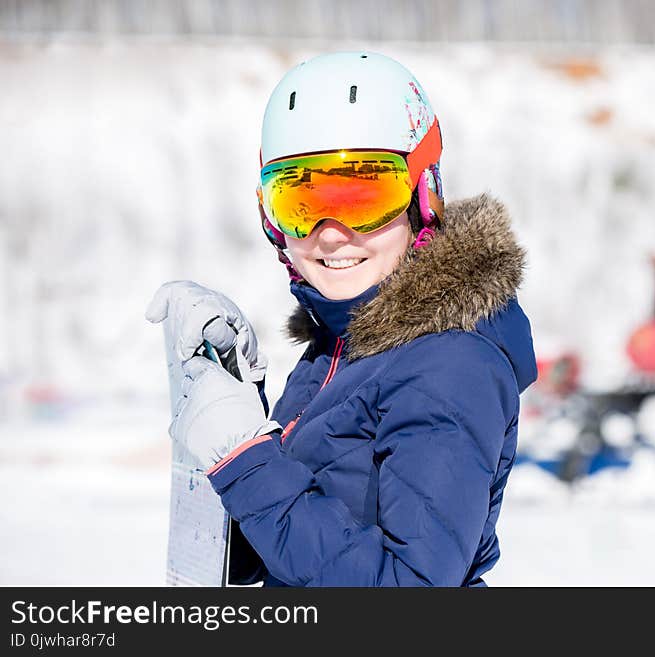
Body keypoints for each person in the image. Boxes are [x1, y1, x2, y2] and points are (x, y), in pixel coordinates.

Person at [146, 51, 537, 586]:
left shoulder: (450, 364)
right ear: (269, 217)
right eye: (300, 201)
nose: (329, 233)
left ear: (423, 197)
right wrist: (235, 408)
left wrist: (245, 457)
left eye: (363, 195)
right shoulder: (341, 349)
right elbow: (260, 557)